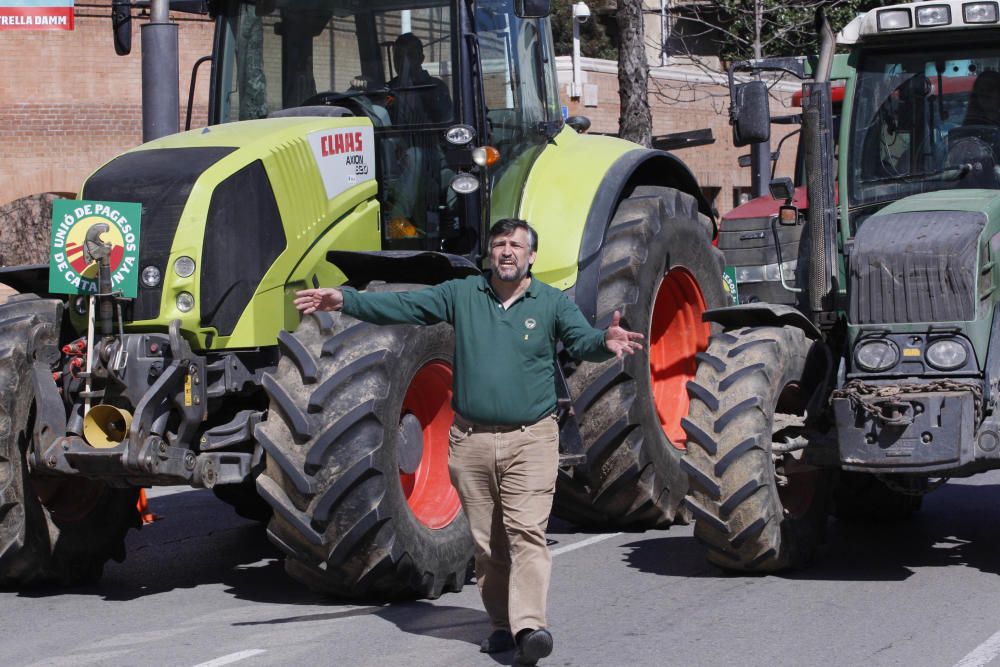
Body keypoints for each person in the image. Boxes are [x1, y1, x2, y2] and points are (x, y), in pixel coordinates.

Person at [294, 218, 643, 666]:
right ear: (490, 254)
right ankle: (500, 625)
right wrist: (346, 299)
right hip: (471, 442)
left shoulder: (551, 303)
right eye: (500, 244)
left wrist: (604, 340)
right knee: (489, 546)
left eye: (517, 245)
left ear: (531, 256)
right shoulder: (462, 295)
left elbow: (581, 341)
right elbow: (405, 306)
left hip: (530, 439)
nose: (508, 252)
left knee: (527, 534)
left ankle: (530, 626)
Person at [388, 32, 452, 125]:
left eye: (410, 56)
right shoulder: (388, 89)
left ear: (421, 58)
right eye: (398, 57)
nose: (404, 62)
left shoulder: (437, 88)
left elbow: (447, 124)